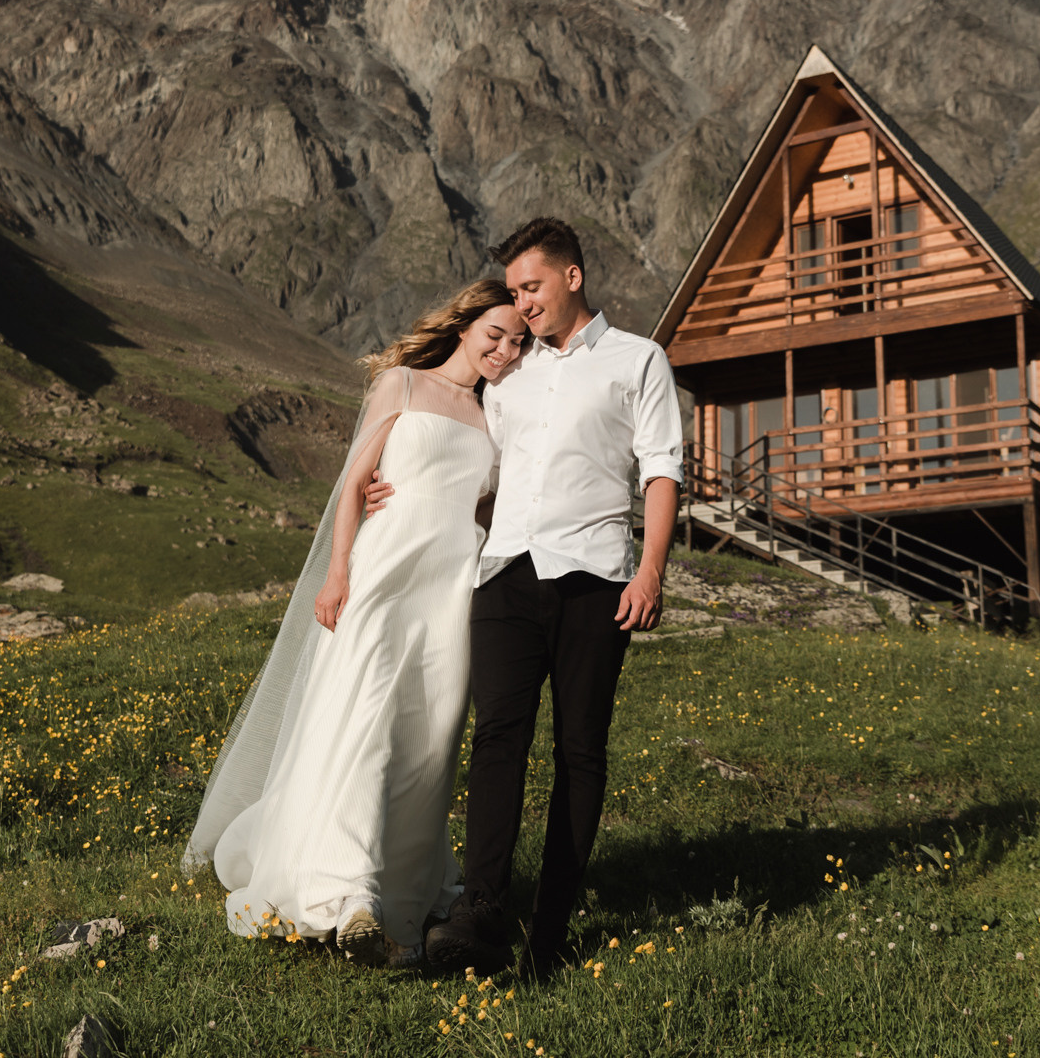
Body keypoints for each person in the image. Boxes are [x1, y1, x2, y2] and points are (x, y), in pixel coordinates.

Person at [180, 280, 528, 966]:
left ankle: (396, 901)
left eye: (519, 341)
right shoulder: (399, 385)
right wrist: (339, 569)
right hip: (381, 576)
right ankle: (350, 897)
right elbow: (353, 484)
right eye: (496, 334)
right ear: (464, 325)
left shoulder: (498, 417)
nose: (505, 350)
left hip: (450, 595)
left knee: (427, 743)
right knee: (364, 722)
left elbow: (487, 511)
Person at [371, 217, 683, 978]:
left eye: (532, 287)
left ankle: (549, 933)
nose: (522, 305)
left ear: (572, 277)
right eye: (513, 292)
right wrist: (398, 488)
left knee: (580, 750)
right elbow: (471, 454)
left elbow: (662, 468)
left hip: (596, 578)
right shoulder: (511, 374)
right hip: (506, 574)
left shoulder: (638, 361)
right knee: (496, 738)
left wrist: (651, 571)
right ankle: (481, 911)